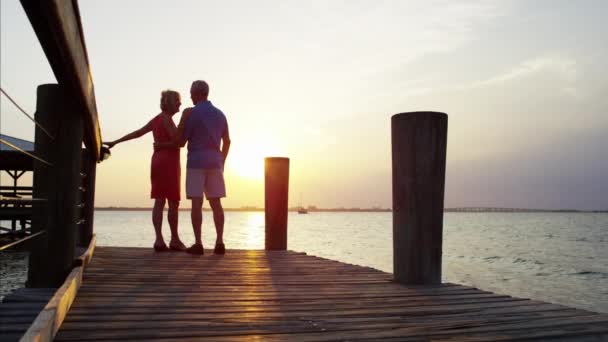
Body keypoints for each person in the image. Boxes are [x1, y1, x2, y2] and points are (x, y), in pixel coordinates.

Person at [104, 90, 187, 252]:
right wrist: (184, 122)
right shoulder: (167, 120)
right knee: (173, 202)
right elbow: (178, 143)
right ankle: (175, 240)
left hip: (156, 161)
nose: (180, 104)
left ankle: (159, 240)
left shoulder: (156, 119)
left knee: (159, 200)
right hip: (168, 162)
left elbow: (137, 133)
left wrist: (116, 141)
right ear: (169, 103)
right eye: (177, 101)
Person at [175, 80, 230, 255]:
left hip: (196, 162)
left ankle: (198, 243)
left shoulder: (192, 113)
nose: (190, 97)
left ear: (197, 94)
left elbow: (181, 141)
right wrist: (222, 161)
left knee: (197, 204)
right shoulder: (220, 114)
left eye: (191, 93)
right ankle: (219, 242)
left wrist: (182, 120)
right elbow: (227, 141)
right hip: (215, 162)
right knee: (216, 203)